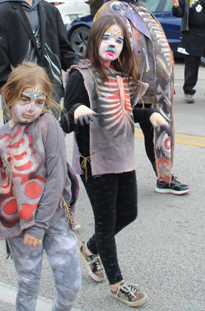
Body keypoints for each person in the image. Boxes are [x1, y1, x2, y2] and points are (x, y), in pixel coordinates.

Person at [61, 16, 169, 308]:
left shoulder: (119, 75)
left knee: (129, 213)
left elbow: (127, 114)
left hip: (122, 155)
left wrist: (150, 116)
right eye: (107, 37)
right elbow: (64, 120)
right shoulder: (79, 76)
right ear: (95, 40)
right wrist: (77, 110)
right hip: (95, 160)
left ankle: (91, 248)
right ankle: (117, 284)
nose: (112, 44)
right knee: (106, 222)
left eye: (119, 40)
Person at [0, 62, 81, 311]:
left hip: (52, 219)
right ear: (9, 95)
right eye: (25, 99)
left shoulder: (47, 124)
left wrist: (39, 226)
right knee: (28, 285)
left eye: (39, 102)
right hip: (19, 223)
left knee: (70, 283)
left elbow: (56, 176)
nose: (32, 108)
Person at [94, 0, 190, 194]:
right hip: (122, 86)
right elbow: (101, 47)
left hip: (152, 89)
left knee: (154, 130)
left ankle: (164, 178)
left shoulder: (140, 7)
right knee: (115, 134)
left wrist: (165, 81)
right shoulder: (110, 9)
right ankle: (106, 181)